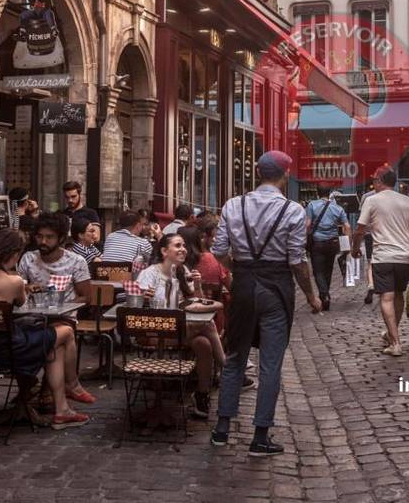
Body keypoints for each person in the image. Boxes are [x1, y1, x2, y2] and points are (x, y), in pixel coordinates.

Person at [210, 150, 322, 456]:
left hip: (244, 284)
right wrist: (312, 296)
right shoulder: (293, 211)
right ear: (284, 176)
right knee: (270, 363)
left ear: (259, 173)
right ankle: (260, 435)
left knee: (235, 356)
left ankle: (221, 428)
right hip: (276, 286)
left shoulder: (234, 205)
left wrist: (239, 270)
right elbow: (297, 260)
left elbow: (219, 251)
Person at [0, 229, 89, 429]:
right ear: (15, 254)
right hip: (9, 350)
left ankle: (58, 407)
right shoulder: (13, 281)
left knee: (53, 343)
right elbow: (22, 303)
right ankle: (69, 390)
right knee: (64, 332)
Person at [135, 232, 225, 420]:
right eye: (177, 245)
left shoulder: (183, 271)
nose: (183, 249)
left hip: (180, 330)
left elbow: (197, 302)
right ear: (164, 251)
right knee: (207, 325)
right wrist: (144, 298)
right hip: (154, 331)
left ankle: (202, 394)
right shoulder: (149, 273)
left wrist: (198, 284)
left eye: (183, 245)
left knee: (203, 344)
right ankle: (227, 368)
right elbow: (133, 306)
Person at [355, 166, 409, 357]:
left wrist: (354, 249)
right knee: (398, 295)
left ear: (381, 181)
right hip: (404, 257)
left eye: (375, 179)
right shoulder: (408, 201)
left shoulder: (371, 200)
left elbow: (360, 229)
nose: (373, 183)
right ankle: (392, 333)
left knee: (386, 298)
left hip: (383, 256)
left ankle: (395, 343)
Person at [305, 188, 350, 311]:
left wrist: (305, 238)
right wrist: (346, 246)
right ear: (329, 194)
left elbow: (307, 225)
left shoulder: (312, 205)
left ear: (317, 193)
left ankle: (324, 295)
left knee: (318, 271)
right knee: (328, 270)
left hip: (317, 243)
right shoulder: (338, 208)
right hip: (333, 243)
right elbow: (347, 226)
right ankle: (324, 296)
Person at [185, 217, 230, 335]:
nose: (217, 240)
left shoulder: (183, 259)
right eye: (215, 237)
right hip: (213, 317)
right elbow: (233, 288)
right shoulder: (218, 260)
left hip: (186, 316)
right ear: (204, 237)